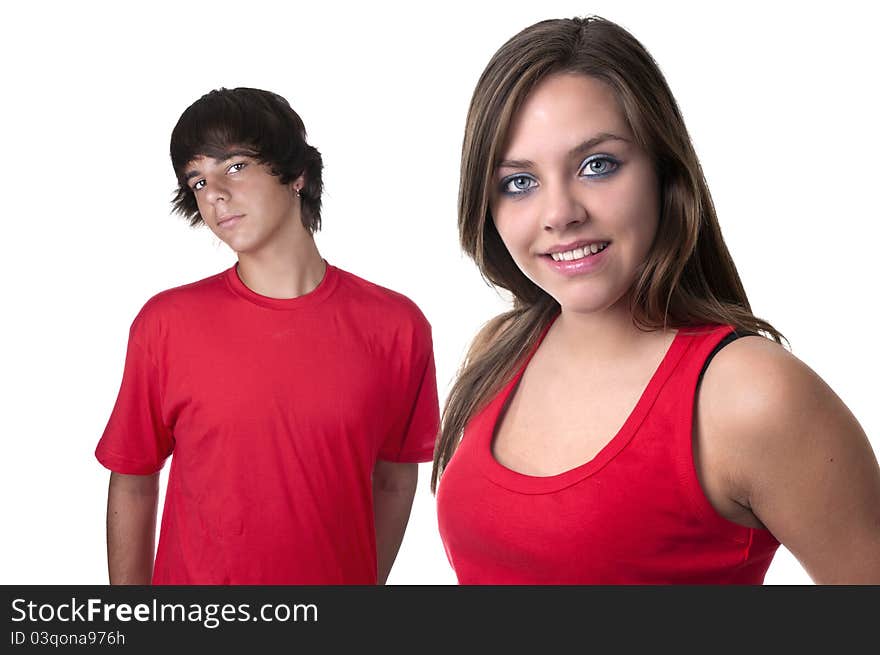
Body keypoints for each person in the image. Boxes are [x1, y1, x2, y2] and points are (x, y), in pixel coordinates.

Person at [433, 16, 880, 584]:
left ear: (664, 174)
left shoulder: (751, 395)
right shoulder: (498, 351)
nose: (560, 213)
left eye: (598, 166)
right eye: (519, 182)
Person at [96, 87, 440, 585]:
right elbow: (133, 480)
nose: (213, 193)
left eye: (234, 166)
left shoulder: (397, 327)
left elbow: (393, 479)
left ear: (297, 174)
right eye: (197, 181)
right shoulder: (165, 323)